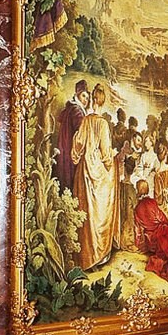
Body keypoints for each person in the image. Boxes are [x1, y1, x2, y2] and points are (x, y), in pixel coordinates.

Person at [71, 82, 121, 270]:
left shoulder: (86, 120)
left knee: (87, 210)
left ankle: (86, 254)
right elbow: (106, 154)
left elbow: (77, 145)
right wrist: (111, 160)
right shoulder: (102, 123)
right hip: (99, 171)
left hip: (85, 171)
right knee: (100, 209)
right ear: (102, 101)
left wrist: (78, 156)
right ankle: (99, 254)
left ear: (92, 100)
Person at [132, 178, 168, 280]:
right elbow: (161, 217)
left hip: (150, 239)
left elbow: (138, 228)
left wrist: (140, 244)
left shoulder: (137, 208)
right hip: (158, 234)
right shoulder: (152, 202)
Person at [54, 80, 89, 194]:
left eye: (87, 98)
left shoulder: (70, 108)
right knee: (71, 172)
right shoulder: (77, 110)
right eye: (83, 96)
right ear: (77, 95)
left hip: (65, 145)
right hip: (71, 146)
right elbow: (81, 131)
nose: (86, 100)